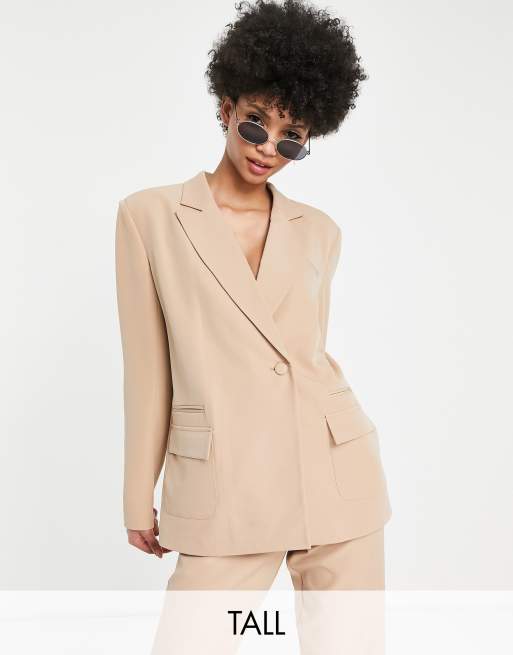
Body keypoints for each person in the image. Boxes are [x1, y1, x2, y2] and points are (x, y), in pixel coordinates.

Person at [115, 0, 392, 597]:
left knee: (348, 639)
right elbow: (148, 368)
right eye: (255, 123)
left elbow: (304, 356)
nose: (267, 147)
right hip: (226, 485)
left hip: (335, 477)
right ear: (226, 109)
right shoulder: (149, 216)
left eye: (292, 139)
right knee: (194, 636)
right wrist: (139, 493)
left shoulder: (320, 231)